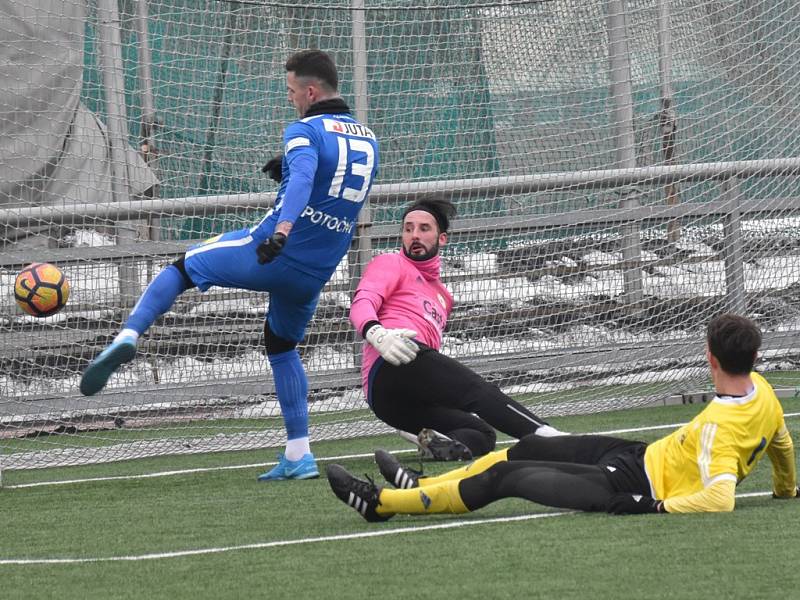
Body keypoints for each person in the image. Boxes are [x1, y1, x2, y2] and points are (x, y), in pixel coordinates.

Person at [80, 49, 379, 481]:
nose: (291, 99)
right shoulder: (368, 138)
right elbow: (330, 187)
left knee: (181, 268)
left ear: (311, 92)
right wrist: (296, 176)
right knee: (281, 346)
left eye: (292, 91)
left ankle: (127, 335)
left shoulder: (303, 130)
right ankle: (299, 454)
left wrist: (282, 230)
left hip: (270, 251)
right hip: (316, 272)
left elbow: (301, 180)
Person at [327, 313, 798, 520]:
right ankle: (420, 487)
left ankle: (382, 504)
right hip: (639, 456)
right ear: (752, 358)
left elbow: (719, 498)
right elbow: (781, 443)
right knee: (527, 447)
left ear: (710, 358)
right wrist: (785, 489)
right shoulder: (765, 394)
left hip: (632, 487)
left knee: (506, 478)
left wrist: (654, 507)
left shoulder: (720, 423)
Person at [350, 197, 562, 463]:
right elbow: (361, 303)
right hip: (391, 365)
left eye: (424, 228)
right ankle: (549, 437)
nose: (414, 235)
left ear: (442, 239)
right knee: (477, 391)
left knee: (482, 434)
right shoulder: (391, 263)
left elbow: (433, 371)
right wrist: (377, 334)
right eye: (408, 228)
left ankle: (435, 443)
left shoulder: (443, 297)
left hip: (399, 406)